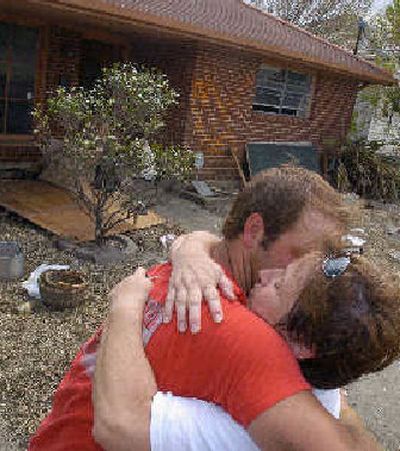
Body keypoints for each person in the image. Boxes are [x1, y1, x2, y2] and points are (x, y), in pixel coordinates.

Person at [30, 167, 381, 451]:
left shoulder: (169, 276)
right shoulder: (235, 329)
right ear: (255, 230)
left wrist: (189, 247)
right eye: (304, 253)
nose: (314, 268)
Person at [94, 248, 400, 450]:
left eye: (279, 285)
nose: (264, 275)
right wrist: (190, 252)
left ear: (302, 343)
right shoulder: (324, 388)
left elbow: (119, 425)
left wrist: (125, 304)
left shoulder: (250, 428)